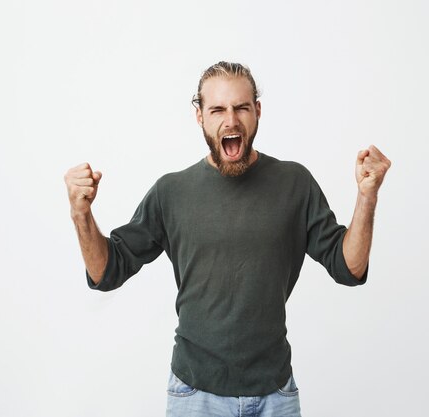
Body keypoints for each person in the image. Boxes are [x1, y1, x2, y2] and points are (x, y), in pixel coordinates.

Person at [64, 61, 391, 417]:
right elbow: (106, 272)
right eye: (217, 109)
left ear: (258, 112)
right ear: (200, 116)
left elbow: (348, 267)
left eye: (241, 108)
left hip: (275, 394)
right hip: (195, 394)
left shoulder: (294, 183)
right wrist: (81, 214)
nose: (230, 120)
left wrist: (366, 196)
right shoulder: (171, 192)